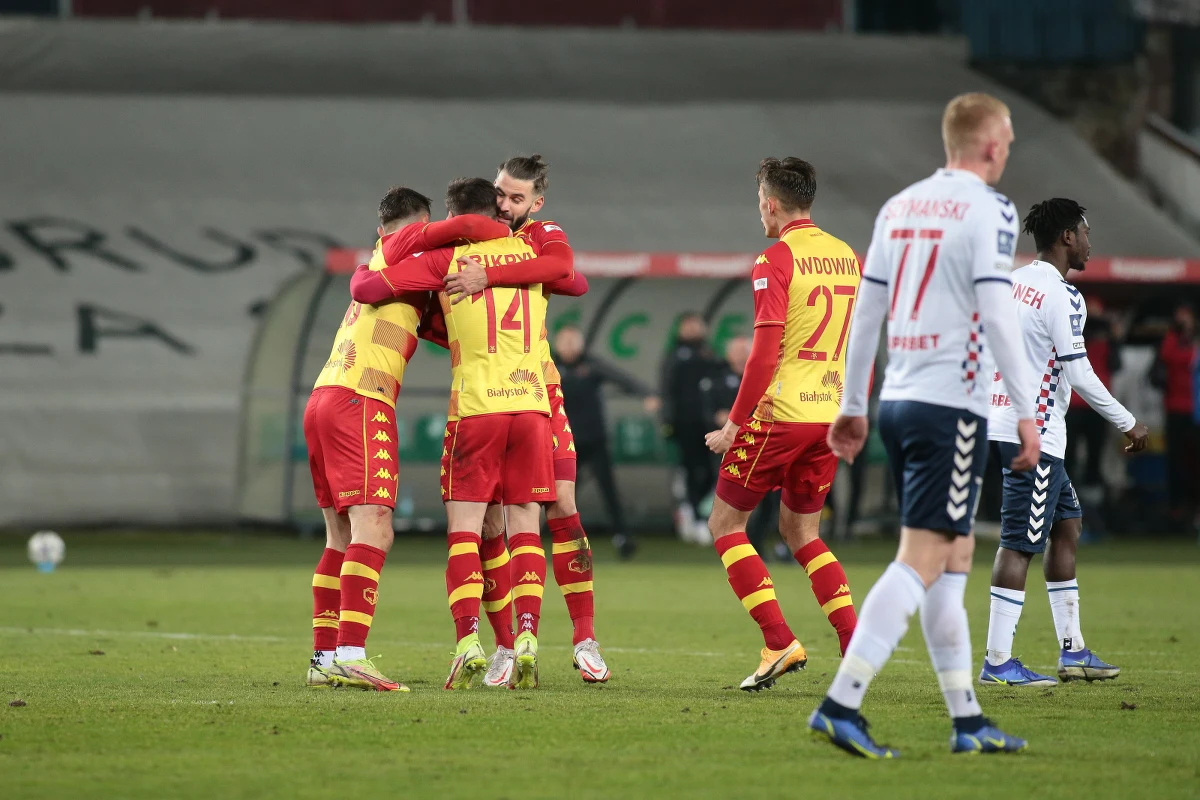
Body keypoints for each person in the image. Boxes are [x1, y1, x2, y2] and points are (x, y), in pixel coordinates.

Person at [812, 92, 1040, 758]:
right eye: (1009, 141)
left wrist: (853, 404)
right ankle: (841, 703)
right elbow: (996, 314)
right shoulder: (992, 209)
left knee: (954, 560)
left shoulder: (899, 205)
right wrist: (1025, 411)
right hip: (952, 406)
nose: (1008, 151)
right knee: (922, 559)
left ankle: (967, 721)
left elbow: (867, 313)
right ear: (992, 145)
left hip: (900, 402)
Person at [350, 177, 570, 690]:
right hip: (532, 406)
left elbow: (369, 290)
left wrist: (369, 265)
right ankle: (527, 636)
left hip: (478, 408)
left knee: (466, 529)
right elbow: (573, 280)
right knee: (524, 526)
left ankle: (468, 641)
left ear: (452, 218)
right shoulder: (531, 252)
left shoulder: (447, 260)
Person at [304, 186, 511, 692]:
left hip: (325, 395)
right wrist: (508, 238)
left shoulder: (388, 267)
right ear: (417, 227)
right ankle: (351, 654)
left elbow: (439, 325)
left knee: (339, 536)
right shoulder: (409, 249)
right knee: (375, 528)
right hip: (361, 399)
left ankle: (324, 656)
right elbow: (469, 227)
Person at [437, 154, 611, 686]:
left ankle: (584, 638)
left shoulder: (541, 234)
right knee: (493, 523)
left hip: (540, 392)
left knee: (562, 505)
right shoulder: (477, 243)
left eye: (517, 198)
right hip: (500, 397)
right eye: (500, 193)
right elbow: (567, 280)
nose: (505, 205)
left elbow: (568, 274)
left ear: (537, 203)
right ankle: (506, 647)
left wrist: (489, 277)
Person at [704, 157, 861, 691]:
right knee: (802, 532)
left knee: (725, 525)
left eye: (759, 203)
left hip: (781, 415)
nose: (759, 212)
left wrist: (734, 424)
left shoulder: (775, 259)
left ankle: (779, 641)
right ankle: (854, 643)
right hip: (829, 413)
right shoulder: (846, 256)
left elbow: (764, 354)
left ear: (771, 204)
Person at [982, 199, 1148, 688]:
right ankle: (997, 661)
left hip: (1005, 422)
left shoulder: (1011, 282)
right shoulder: (1063, 295)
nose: (1090, 242)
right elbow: (1078, 373)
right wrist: (1127, 422)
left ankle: (1073, 651)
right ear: (1067, 237)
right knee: (1018, 543)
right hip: (1034, 434)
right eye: (1086, 232)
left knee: (1067, 525)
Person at [554, 324, 659, 553]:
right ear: (557, 345)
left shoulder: (591, 364)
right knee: (563, 493)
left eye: (574, 341)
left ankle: (623, 537)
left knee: (609, 491)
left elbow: (621, 378)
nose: (570, 347)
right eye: (565, 342)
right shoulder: (549, 366)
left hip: (595, 440)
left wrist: (647, 394)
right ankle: (561, 538)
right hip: (566, 443)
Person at [662, 313, 722, 527]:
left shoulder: (710, 353)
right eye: (688, 325)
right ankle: (693, 514)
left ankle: (705, 513)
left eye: (696, 325)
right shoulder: (674, 355)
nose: (693, 329)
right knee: (691, 470)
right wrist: (667, 421)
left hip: (710, 424)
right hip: (684, 423)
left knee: (712, 470)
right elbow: (666, 389)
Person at [1153, 303, 1198, 526]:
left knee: (1194, 461)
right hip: (1176, 408)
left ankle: (1193, 507)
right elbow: (1169, 357)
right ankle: (1176, 508)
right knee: (1176, 460)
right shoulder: (1171, 339)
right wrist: (1182, 338)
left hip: (1196, 410)